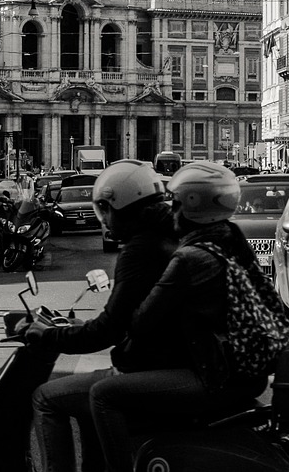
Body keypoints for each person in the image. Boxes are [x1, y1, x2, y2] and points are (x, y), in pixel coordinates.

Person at [87, 162, 276, 472]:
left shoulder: (189, 257)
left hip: (215, 373)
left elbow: (140, 322)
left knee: (102, 396)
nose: (169, 208)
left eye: (174, 201)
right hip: (245, 369)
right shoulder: (231, 236)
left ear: (192, 205)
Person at [27, 160, 179, 472]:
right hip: (164, 359)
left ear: (122, 206)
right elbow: (135, 317)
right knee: (84, 400)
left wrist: (48, 335)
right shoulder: (166, 235)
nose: (104, 219)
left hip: (149, 366)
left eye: (105, 209)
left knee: (46, 397)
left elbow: (110, 328)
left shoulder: (140, 250)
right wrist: (82, 326)